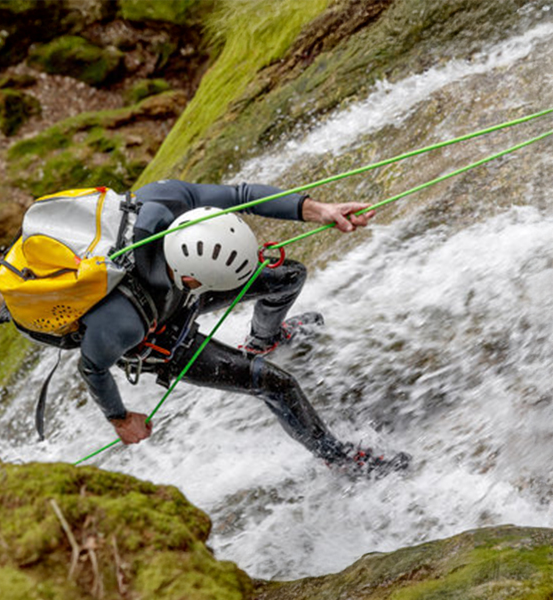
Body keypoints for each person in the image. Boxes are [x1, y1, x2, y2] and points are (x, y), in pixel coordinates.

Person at [50, 179, 408, 475]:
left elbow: (242, 196)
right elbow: (93, 366)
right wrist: (120, 418)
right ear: (193, 279)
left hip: (178, 290)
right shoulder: (122, 322)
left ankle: (262, 341)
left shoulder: (166, 201)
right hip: (158, 335)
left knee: (289, 276)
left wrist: (320, 210)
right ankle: (338, 459)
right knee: (277, 384)